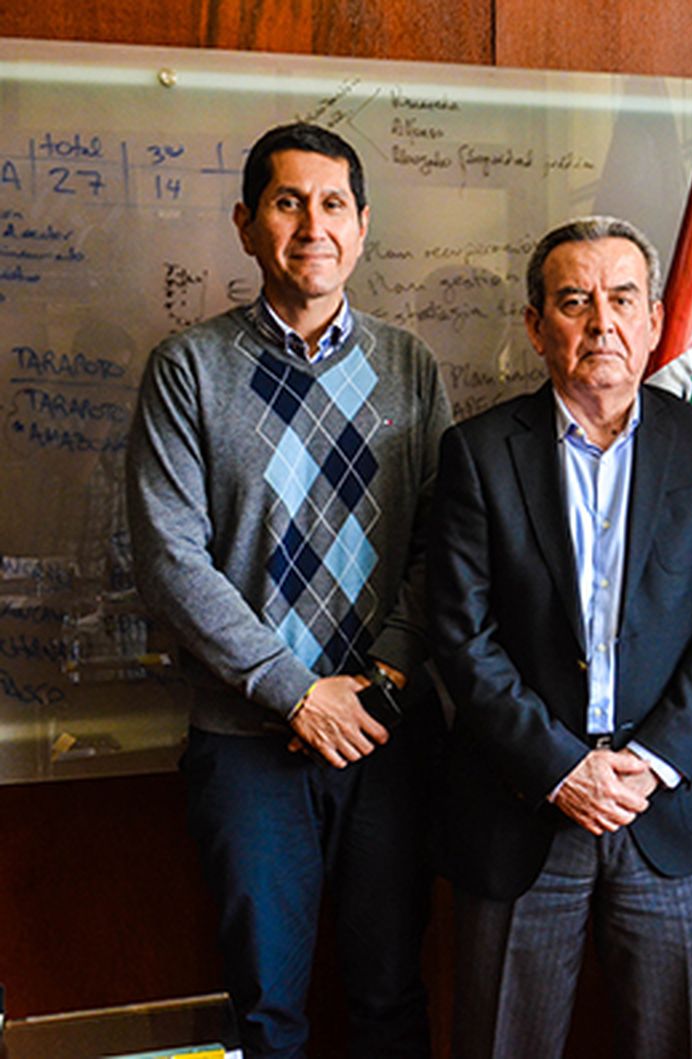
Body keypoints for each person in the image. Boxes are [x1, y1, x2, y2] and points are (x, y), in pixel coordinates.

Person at [127, 122, 449, 1057]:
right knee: (267, 1010)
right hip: (247, 746)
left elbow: (442, 546)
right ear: (244, 223)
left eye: (334, 203)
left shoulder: (410, 366)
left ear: (362, 225)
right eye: (287, 201)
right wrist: (295, 691)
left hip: (384, 736)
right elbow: (170, 560)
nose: (314, 224)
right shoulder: (189, 369)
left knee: (391, 996)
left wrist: (377, 681)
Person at [428, 216, 692, 1058]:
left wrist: (649, 760)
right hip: (523, 804)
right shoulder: (477, 453)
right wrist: (563, 767)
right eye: (575, 301)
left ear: (653, 321)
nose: (601, 323)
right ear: (538, 326)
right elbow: (461, 634)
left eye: (621, 299)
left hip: (664, 810)